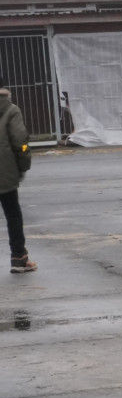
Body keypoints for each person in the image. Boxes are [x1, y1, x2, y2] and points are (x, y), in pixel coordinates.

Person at [1, 72, 36, 274]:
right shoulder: (11, 109)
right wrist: (23, 165)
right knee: (13, 215)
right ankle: (19, 258)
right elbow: (20, 142)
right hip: (5, 172)